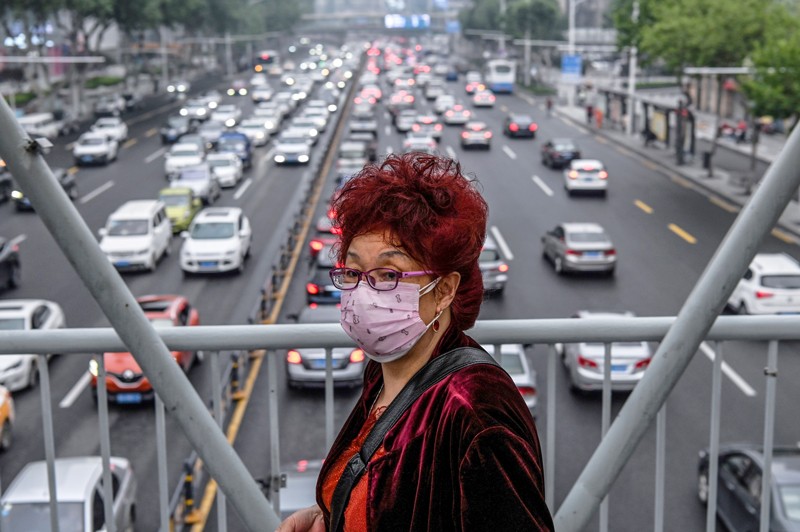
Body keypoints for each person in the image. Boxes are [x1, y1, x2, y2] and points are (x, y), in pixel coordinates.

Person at [277, 153, 553, 532]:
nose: (363, 292)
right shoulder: (384, 371)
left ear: (443, 291)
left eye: (388, 274)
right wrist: (330, 512)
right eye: (354, 271)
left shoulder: (476, 409)